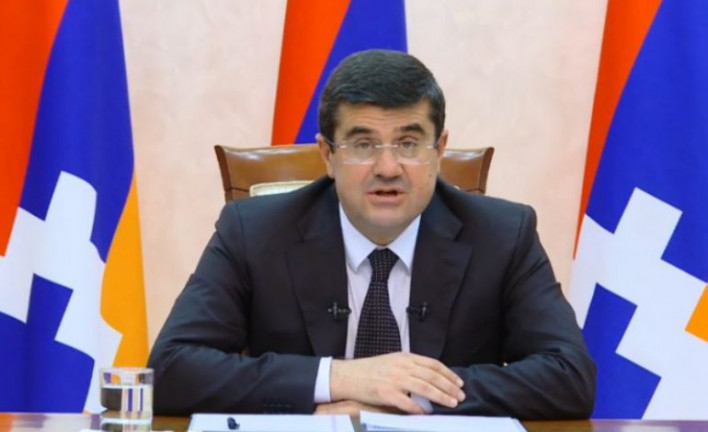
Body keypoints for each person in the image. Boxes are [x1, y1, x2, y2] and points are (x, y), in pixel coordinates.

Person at [148, 49, 596, 419]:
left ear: (439, 150)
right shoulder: (254, 232)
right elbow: (171, 370)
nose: (387, 167)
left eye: (409, 144)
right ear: (327, 155)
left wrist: (409, 393)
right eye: (363, 145)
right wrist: (338, 379)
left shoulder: (503, 235)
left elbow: (569, 378)